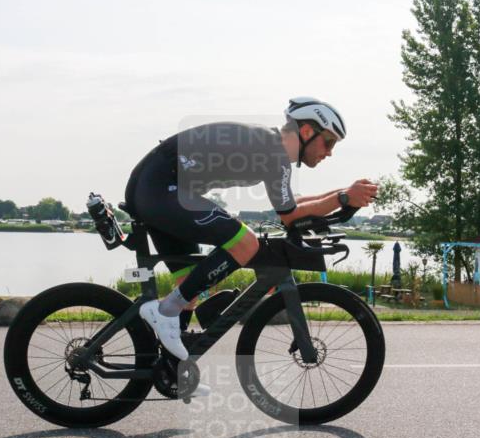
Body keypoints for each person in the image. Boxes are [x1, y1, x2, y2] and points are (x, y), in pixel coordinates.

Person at [126, 97, 378, 363]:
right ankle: (164, 312)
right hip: (160, 189)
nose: (329, 152)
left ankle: (171, 366)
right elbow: (291, 216)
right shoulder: (273, 153)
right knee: (246, 243)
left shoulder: (271, 149)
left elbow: (290, 207)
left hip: (159, 188)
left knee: (189, 288)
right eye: (328, 142)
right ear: (306, 131)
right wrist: (342, 199)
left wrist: (342, 194)